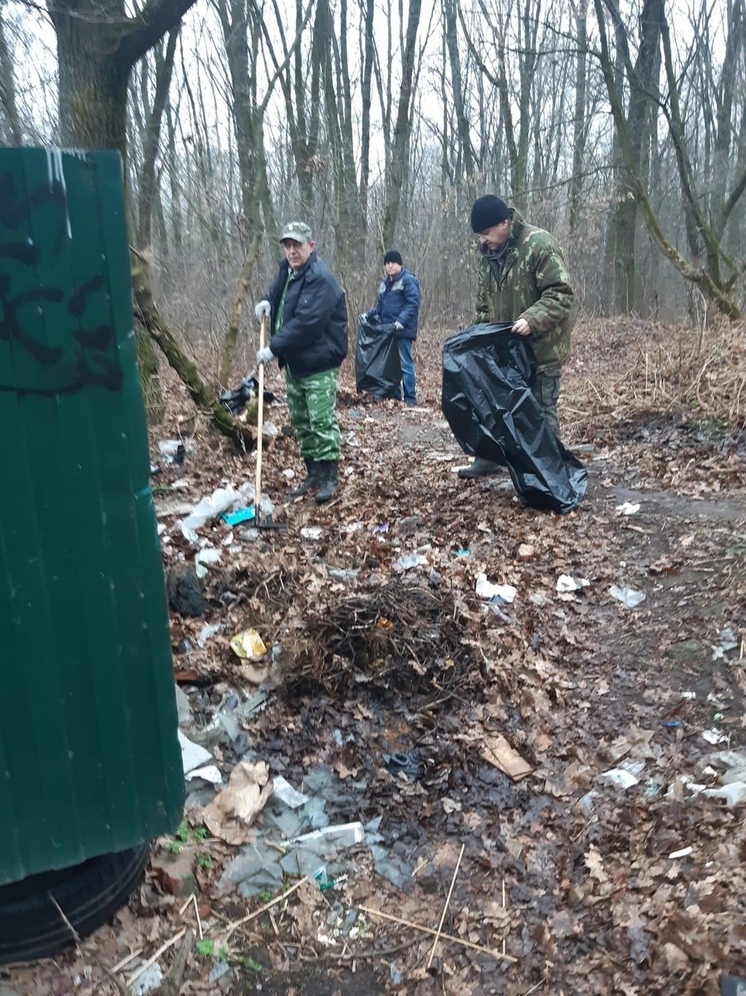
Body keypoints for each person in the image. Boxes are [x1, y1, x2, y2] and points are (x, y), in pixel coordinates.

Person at [458, 194, 574, 479]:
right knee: (493, 406)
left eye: (486, 233)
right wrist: (476, 338)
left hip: (540, 351)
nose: (482, 240)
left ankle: (551, 477)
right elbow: (484, 305)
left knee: (540, 413)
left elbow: (561, 294)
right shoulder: (488, 256)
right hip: (505, 351)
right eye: (479, 235)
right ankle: (489, 457)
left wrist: (531, 319)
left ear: (504, 223)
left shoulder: (538, 245)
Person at [254, 221, 348, 503]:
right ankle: (314, 475)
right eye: (288, 246)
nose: (292, 251)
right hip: (295, 363)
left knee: (320, 420)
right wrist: (266, 300)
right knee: (301, 421)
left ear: (311, 246)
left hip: (319, 361)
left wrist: (273, 348)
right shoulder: (288, 270)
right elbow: (277, 291)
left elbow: (307, 324)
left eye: (298, 245)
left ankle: (330, 478)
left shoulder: (321, 280)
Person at [365, 250, 420, 405]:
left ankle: (410, 398)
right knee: (392, 365)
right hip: (388, 331)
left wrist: (400, 321)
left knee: (405, 364)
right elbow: (380, 307)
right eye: (387, 263)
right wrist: (369, 315)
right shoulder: (384, 283)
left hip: (403, 330)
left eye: (393, 263)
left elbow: (413, 304)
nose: (390, 266)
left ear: (399, 264)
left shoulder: (408, 280)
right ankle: (395, 396)